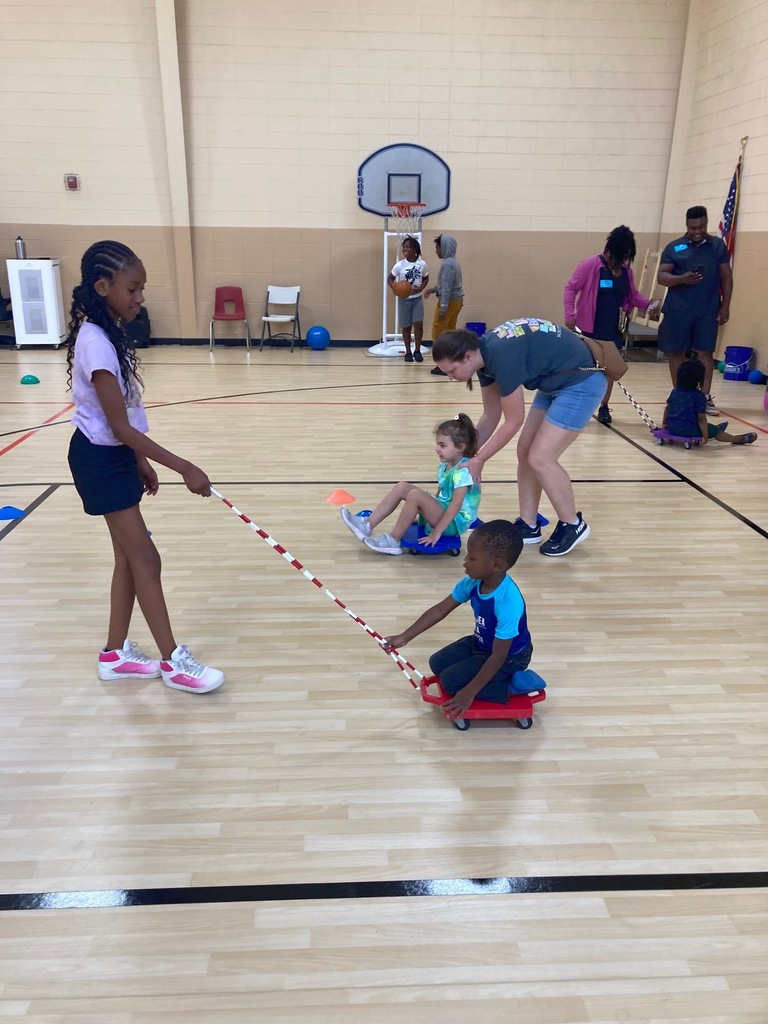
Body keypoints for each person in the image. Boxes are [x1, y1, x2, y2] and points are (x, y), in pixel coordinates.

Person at [65, 240, 224, 694]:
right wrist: (183, 466)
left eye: (142, 289)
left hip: (114, 456)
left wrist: (140, 461)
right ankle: (174, 663)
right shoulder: (96, 344)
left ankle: (114, 655)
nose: (139, 298)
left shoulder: (109, 331)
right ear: (103, 287)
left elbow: (125, 417)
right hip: (99, 460)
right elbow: (119, 425)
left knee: (129, 559)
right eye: (132, 289)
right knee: (146, 559)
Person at [432, 318, 607, 557]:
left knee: (541, 457)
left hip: (581, 382)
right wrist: (466, 457)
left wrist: (479, 460)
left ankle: (572, 524)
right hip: (554, 380)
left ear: (467, 357)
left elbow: (513, 421)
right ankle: (528, 523)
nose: (451, 378)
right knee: (525, 451)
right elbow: (491, 415)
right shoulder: (484, 357)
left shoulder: (501, 355)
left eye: (451, 371)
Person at [382, 520, 533, 718]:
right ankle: (484, 678)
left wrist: (469, 692)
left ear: (496, 564)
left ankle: (512, 687)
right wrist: (404, 637)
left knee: (450, 682)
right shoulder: (472, 582)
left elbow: (498, 656)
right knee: (437, 663)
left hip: (511, 657)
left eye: (472, 557)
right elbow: (440, 610)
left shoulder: (508, 602)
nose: (465, 561)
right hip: (482, 644)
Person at [340, 413, 481, 556]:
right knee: (402, 487)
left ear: (460, 447)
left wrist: (437, 531)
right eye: (437, 444)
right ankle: (367, 525)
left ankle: (394, 540)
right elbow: (441, 496)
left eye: (442, 445)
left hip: (455, 522)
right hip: (444, 511)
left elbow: (456, 505)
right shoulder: (444, 465)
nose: (437, 448)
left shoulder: (463, 471)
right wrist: (426, 512)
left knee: (415, 495)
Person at [564, 225, 659, 424]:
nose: (623, 261)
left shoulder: (626, 271)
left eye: (626, 257)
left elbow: (633, 295)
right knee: (586, 368)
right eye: (620, 256)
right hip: (589, 327)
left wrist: (649, 305)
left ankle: (604, 405)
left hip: (614, 327)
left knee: (609, 370)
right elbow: (571, 288)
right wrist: (569, 315)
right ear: (609, 250)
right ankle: (577, 403)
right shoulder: (590, 265)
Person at [657, 205, 732, 415]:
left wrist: (725, 306)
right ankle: (679, 396)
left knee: (705, 354)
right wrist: (682, 279)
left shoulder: (718, 246)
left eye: (701, 227)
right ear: (686, 225)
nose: (697, 232)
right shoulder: (674, 247)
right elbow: (662, 276)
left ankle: (704, 398)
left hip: (707, 311)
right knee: (677, 353)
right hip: (678, 310)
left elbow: (726, 277)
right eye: (693, 228)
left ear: (706, 223)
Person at [663, 359, 757, 446]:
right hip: (689, 429)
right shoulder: (699, 396)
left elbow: (667, 409)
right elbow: (701, 419)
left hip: (672, 427)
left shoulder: (675, 391)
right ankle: (737, 439)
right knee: (714, 430)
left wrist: (664, 424)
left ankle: (712, 429)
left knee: (703, 426)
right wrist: (705, 436)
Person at [424, 234, 464, 375]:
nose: (436, 251)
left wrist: (443, 308)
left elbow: (446, 288)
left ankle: (442, 366)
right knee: (449, 333)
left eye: (437, 248)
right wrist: (432, 290)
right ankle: (451, 363)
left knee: (438, 335)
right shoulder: (454, 262)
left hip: (449, 303)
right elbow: (445, 285)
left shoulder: (447, 264)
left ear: (445, 248)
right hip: (457, 301)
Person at [388, 235, 429, 363]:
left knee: (418, 324)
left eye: (407, 247)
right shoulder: (399, 265)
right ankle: (408, 352)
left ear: (414, 249)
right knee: (406, 327)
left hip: (417, 299)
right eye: (403, 247)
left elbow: (426, 278)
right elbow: (390, 278)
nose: (404, 249)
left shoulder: (422, 264)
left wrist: (421, 288)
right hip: (404, 300)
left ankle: (417, 350)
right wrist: (394, 287)